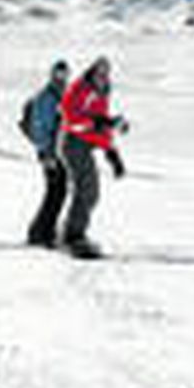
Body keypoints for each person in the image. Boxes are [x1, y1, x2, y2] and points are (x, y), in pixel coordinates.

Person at [59, 56, 128, 257]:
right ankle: (72, 236)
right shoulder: (81, 88)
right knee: (86, 188)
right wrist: (95, 123)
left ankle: (72, 231)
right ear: (92, 72)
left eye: (106, 74)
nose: (102, 77)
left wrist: (111, 152)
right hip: (72, 143)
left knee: (92, 193)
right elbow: (70, 118)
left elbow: (101, 125)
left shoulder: (101, 93)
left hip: (85, 144)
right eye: (99, 73)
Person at [22, 60, 71, 247]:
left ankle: (45, 230)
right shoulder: (47, 97)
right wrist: (45, 153)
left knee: (59, 192)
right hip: (50, 152)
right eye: (59, 74)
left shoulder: (61, 95)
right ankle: (39, 232)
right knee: (55, 192)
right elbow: (40, 127)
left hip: (59, 151)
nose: (62, 78)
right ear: (52, 75)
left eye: (65, 74)